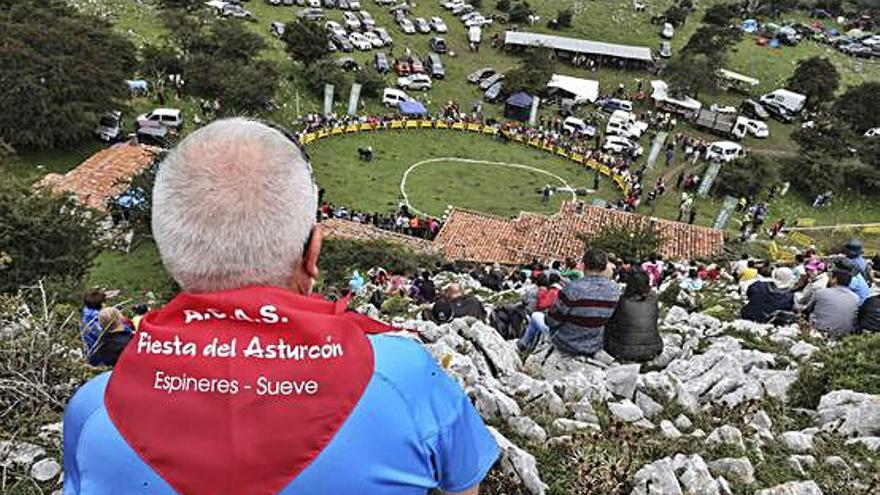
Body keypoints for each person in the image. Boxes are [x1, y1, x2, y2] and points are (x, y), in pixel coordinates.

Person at [63, 119, 498, 495]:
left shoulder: (95, 410)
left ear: (170, 254)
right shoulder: (405, 378)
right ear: (312, 254)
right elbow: (464, 487)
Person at [545, 248, 620, 357]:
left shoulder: (572, 288)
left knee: (536, 316)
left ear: (584, 265)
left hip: (567, 343)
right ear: (604, 267)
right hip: (595, 344)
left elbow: (551, 321)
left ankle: (522, 348)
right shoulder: (615, 290)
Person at [604, 269, 662, 362]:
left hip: (622, 351)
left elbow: (612, 322)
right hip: (653, 349)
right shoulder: (653, 299)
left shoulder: (622, 301)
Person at [805, 268, 859, 337]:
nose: (828, 279)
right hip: (844, 335)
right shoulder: (855, 297)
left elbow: (807, 310)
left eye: (830, 277)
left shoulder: (821, 292)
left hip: (821, 332)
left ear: (834, 279)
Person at [517, 274, 561, 353]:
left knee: (534, 316)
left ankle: (523, 343)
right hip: (565, 329)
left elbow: (541, 305)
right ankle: (525, 344)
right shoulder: (564, 291)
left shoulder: (553, 292)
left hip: (554, 330)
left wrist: (541, 293)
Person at [80, 288, 106, 366]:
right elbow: (104, 334)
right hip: (99, 356)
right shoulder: (97, 319)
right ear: (102, 304)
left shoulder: (86, 313)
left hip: (89, 352)